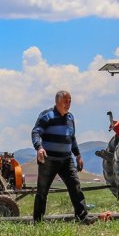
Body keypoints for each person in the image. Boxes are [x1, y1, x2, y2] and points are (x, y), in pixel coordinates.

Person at [31, 90, 92, 224]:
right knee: (42, 190)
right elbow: (36, 132)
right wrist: (39, 147)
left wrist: (78, 155)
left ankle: (82, 218)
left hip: (66, 159)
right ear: (57, 101)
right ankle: (38, 221)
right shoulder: (47, 116)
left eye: (70, 101)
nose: (68, 104)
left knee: (75, 186)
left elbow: (72, 138)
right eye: (65, 101)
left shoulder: (70, 118)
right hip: (49, 159)